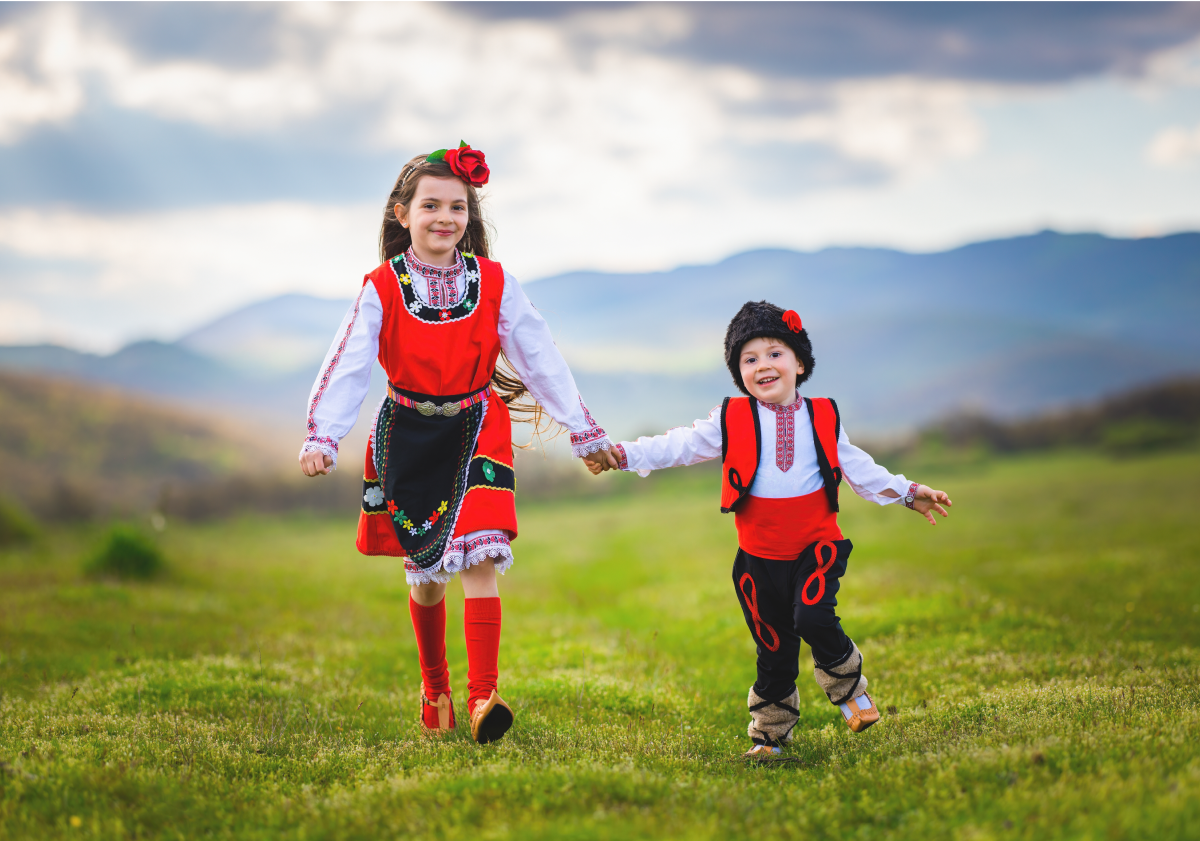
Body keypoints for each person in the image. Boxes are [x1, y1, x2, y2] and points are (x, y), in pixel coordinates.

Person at [299, 142, 619, 744]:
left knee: (482, 556)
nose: (445, 217)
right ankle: (435, 685)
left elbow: (540, 357)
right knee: (427, 577)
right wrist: (323, 434)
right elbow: (347, 364)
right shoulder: (381, 287)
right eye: (431, 206)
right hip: (409, 435)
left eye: (458, 207)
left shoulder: (497, 283)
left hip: (478, 427)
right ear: (403, 214)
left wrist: (582, 428)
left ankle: (482, 697)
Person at [590, 301, 951, 761]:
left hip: (815, 547)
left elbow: (857, 466)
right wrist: (621, 453)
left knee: (813, 618)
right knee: (774, 649)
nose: (763, 365)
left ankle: (850, 691)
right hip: (758, 560)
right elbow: (676, 445)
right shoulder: (731, 420)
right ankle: (770, 737)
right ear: (738, 372)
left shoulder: (822, 416)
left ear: (800, 363)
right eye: (750, 358)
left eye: (775, 353)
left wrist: (906, 491)